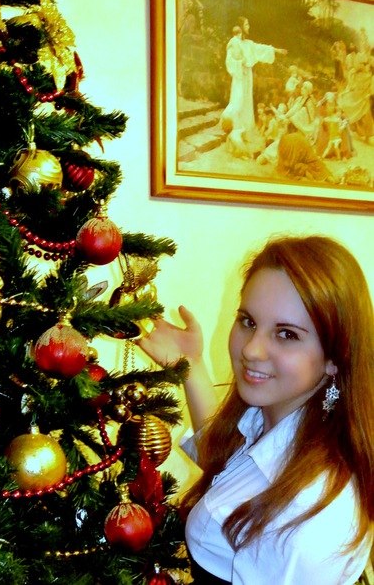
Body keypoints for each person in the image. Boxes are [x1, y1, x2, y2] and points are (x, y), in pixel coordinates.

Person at [138, 235, 373, 584]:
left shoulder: (306, 523)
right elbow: (231, 466)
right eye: (248, 321)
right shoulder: (282, 418)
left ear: (334, 358)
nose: (251, 350)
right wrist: (191, 366)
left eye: (286, 334)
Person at [220, 17, 287, 143]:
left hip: (247, 76)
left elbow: (261, 48)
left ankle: (244, 132)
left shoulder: (248, 44)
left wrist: (276, 50)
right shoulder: (234, 42)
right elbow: (229, 61)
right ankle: (233, 129)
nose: (248, 27)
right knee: (238, 100)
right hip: (239, 76)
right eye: (246, 24)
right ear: (240, 27)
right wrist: (241, 62)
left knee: (246, 103)